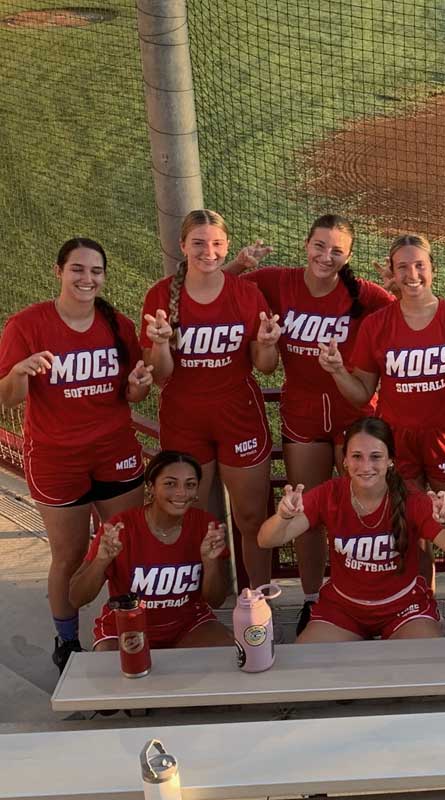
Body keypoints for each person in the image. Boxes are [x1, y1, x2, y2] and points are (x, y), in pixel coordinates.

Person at [228, 214, 393, 632]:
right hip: (301, 415)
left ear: (349, 255)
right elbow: (217, 286)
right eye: (319, 246)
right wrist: (238, 265)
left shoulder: (365, 295)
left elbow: (412, 312)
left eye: (337, 250)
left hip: (355, 414)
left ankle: (366, 594)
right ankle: (314, 598)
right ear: (306, 245)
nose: (326, 256)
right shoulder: (277, 282)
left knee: (364, 508)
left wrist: (399, 287)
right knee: (307, 514)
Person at [318, 233, 445, 586]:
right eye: (402, 267)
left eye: (419, 265)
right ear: (391, 273)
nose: (412, 274)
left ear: (433, 269)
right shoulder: (377, 326)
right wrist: (336, 371)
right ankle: (423, 610)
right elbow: (361, 395)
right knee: (412, 543)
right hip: (396, 445)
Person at [0, 238, 153, 671]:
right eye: (78, 270)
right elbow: (7, 396)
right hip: (56, 458)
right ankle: (67, 640)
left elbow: (134, 391)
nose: (87, 279)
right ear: (59, 272)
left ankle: (126, 629)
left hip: (114, 452)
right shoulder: (27, 325)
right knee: (68, 554)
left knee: (124, 547)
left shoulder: (117, 325)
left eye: (96, 271)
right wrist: (18, 373)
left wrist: (141, 384)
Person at [140, 209, 282, 588]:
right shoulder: (160, 294)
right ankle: (198, 603)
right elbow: (161, 375)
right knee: (191, 518)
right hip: (184, 420)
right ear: (183, 245)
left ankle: (257, 602)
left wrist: (268, 344)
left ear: (227, 246)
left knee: (251, 518)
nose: (208, 251)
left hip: (239, 416)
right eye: (199, 243)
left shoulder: (246, 293)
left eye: (217, 243)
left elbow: (266, 367)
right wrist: (159, 344)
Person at [258, 416, 445, 641]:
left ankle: (429, 620)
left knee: (424, 662)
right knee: (309, 662)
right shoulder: (330, 494)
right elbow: (266, 540)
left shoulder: (412, 498)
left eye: (376, 457)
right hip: (344, 608)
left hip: (404, 607)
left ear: (390, 459)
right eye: (357, 457)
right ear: (345, 461)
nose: (365, 466)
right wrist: (283, 517)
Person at [68, 450, 233, 650]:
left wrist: (211, 563)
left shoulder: (205, 526)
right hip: (127, 624)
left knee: (227, 655)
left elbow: (216, 600)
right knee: (115, 671)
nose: (181, 492)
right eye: (170, 483)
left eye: (190, 484)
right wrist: (101, 561)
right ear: (151, 488)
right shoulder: (121, 527)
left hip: (188, 625)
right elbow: (76, 598)